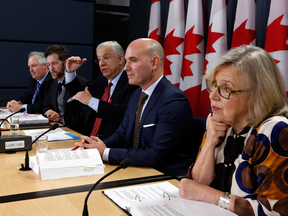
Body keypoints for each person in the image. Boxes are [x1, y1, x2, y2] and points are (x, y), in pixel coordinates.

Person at [179, 45, 288, 215]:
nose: (212, 95)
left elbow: (274, 212)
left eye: (225, 88)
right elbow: (196, 185)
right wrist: (210, 142)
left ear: (256, 95)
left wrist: (211, 196)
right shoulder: (220, 121)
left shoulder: (275, 130)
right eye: (213, 85)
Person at [74, 38, 197, 174]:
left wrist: (105, 153)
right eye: (126, 61)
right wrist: (98, 146)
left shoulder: (173, 101)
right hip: (138, 168)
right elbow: (122, 133)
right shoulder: (137, 94)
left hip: (165, 176)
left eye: (133, 60)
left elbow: (155, 155)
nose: (126, 67)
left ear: (154, 63)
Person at [65, 41, 138, 139]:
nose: (102, 63)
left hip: (111, 144)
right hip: (87, 138)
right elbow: (81, 95)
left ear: (120, 59)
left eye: (106, 58)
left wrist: (91, 101)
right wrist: (70, 72)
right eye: (99, 59)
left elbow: (123, 113)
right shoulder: (102, 79)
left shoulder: (132, 82)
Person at [43, 45, 87, 132]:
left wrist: (61, 119)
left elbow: (85, 115)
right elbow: (45, 105)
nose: (51, 68)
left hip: (76, 133)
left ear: (66, 62)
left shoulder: (83, 84)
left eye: (54, 63)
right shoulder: (53, 84)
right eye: (49, 65)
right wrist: (49, 112)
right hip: (56, 130)